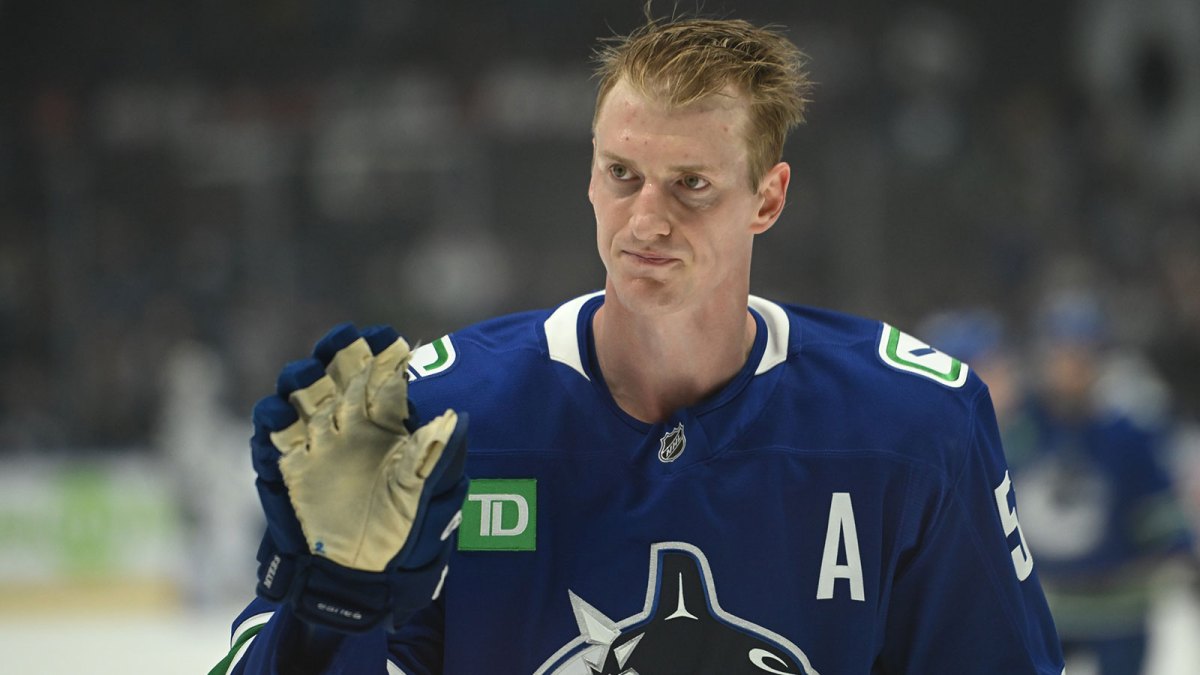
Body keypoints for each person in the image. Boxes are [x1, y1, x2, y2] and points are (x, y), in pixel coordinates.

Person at [211, 12, 1065, 674]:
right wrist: (333, 608)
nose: (646, 220)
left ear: (767, 199)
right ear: (590, 174)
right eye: (622, 174)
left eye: (691, 184)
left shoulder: (915, 428)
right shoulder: (435, 420)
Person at [1000, 290, 1193, 675]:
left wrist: (1178, 549)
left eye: (1082, 355)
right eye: (1062, 354)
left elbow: (1156, 512)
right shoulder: (1020, 432)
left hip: (1119, 605)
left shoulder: (1127, 435)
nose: (1072, 367)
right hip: (1047, 603)